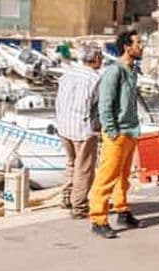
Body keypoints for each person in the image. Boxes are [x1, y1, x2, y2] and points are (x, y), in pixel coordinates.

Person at [88, 30, 145, 239]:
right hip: (117, 132)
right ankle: (98, 219)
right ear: (127, 48)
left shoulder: (132, 70)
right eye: (138, 43)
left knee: (123, 177)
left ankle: (122, 210)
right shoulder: (114, 71)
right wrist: (111, 130)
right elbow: (105, 103)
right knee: (106, 177)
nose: (141, 47)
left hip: (130, 131)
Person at [55, 44, 104, 218]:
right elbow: (98, 106)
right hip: (83, 128)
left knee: (71, 163)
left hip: (63, 125)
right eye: (101, 58)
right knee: (84, 168)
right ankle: (79, 206)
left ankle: (66, 197)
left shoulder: (67, 74)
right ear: (96, 59)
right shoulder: (95, 79)